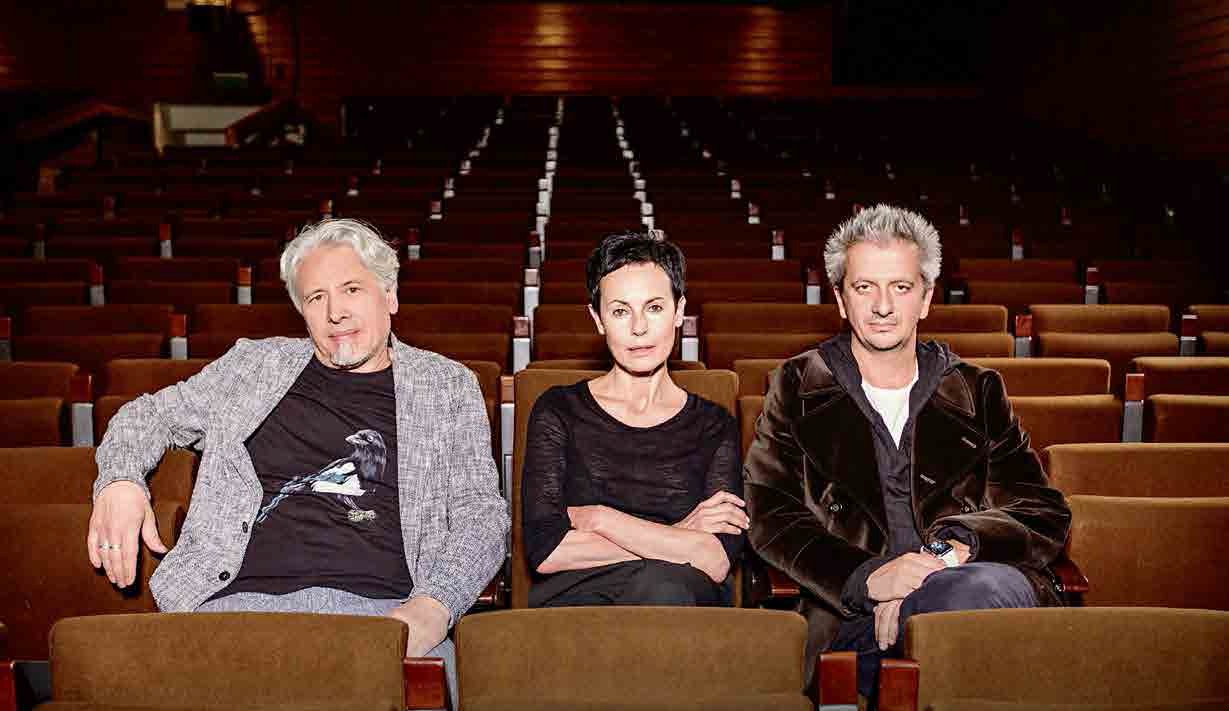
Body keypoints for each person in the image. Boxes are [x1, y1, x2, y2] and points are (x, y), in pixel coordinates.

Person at [87, 218, 508, 705]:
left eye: (352, 289)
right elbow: (147, 415)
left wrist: (436, 606)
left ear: (389, 296)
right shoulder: (252, 366)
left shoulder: (446, 386)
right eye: (316, 297)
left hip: (383, 618)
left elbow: (482, 514)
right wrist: (121, 481)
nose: (335, 312)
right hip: (233, 612)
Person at [744, 205, 1071, 705]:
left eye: (900, 287)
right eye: (864, 287)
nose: (882, 306)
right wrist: (871, 578)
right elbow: (772, 515)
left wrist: (947, 555)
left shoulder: (977, 390)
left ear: (926, 298)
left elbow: (1041, 511)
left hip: (971, 590)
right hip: (853, 615)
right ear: (840, 300)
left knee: (970, 595)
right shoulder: (797, 385)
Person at [522, 231, 746, 607]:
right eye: (620, 311)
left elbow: (715, 558)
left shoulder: (714, 425)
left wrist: (600, 519)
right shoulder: (557, 410)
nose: (638, 327)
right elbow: (547, 551)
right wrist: (679, 534)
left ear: (679, 311)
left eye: (654, 308)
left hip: (680, 602)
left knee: (666, 590)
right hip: (579, 603)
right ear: (598, 319)